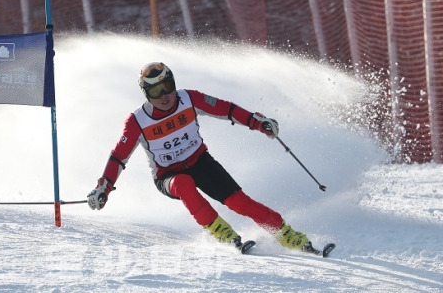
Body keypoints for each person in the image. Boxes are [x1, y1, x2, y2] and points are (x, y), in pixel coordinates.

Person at [87, 61, 317, 254]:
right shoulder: (138, 121)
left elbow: (226, 109)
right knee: (183, 183)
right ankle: (223, 233)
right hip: (168, 175)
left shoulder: (189, 98)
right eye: (156, 91)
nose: (165, 95)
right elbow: (119, 157)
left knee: (239, 202)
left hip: (200, 161)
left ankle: (287, 235)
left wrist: (258, 122)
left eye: (168, 86)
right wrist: (104, 188)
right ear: (146, 94)